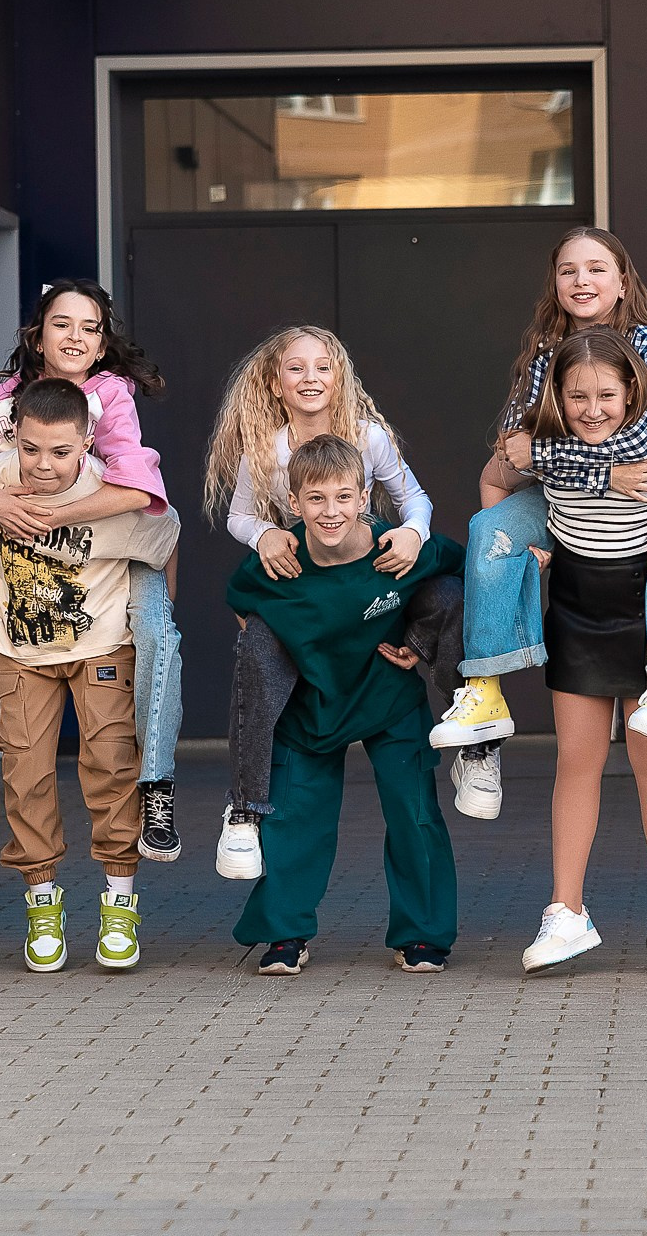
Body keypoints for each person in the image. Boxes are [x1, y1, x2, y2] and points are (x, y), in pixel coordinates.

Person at [488, 331, 647, 977]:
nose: (592, 407)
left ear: (633, 390)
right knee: (576, 762)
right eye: (577, 395)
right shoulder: (541, 449)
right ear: (557, 394)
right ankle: (565, 914)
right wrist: (526, 554)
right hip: (579, 605)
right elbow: (492, 486)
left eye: (606, 393)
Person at [0, 281, 190, 862]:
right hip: (16, 548)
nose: (74, 337)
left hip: (107, 548)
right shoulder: (8, 394)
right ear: (38, 335)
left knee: (155, 631)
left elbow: (141, 486)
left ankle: (158, 782)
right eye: (61, 324)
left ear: (100, 344)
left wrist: (53, 514)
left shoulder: (108, 394)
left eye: (89, 328)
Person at [204, 325, 481, 885]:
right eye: (296, 368)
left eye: (323, 367)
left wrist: (413, 533)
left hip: (364, 556)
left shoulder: (368, 435)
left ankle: (477, 742)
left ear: (340, 378)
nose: (311, 378)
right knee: (258, 647)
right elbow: (237, 516)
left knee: (447, 591)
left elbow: (415, 499)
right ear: (276, 384)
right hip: (301, 565)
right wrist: (264, 534)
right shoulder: (270, 448)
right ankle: (244, 809)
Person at [434, 228, 647, 754]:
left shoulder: (646, 344)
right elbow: (511, 442)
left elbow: (638, 440)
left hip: (644, 508)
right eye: (568, 271)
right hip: (561, 507)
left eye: (596, 268)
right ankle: (486, 693)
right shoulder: (545, 351)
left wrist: (551, 456)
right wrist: (534, 542)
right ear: (555, 284)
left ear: (622, 282)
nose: (581, 279)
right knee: (488, 529)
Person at [0, 376, 181, 972]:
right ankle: (42, 902)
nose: (43, 466)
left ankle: (120, 902)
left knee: (110, 769)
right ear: (12, 439)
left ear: (86, 444)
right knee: (25, 775)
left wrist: (153, 628)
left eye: (60, 452)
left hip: (102, 647)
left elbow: (165, 536)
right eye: (30, 449)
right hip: (21, 652)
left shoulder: (114, 492)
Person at [229, 436, 466, 976]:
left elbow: (456, 574)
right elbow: (240, 605)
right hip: (311, 701)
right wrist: (286, 653)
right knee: (293, 816)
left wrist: (422, 641)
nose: (330, 511)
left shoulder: (397, 551)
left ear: (365, 498)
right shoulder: (279, 560)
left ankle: (423, 935)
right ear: (295, 504)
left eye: (342, 498)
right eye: (316, 499)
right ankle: (285, 934)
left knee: (414, 812)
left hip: (386, 691)